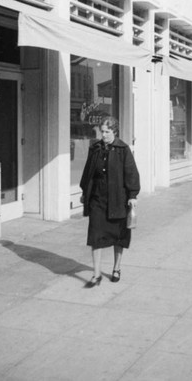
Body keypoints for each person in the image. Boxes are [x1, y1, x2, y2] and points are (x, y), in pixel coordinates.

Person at [80, 116, 140, 288]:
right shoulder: (96, 148)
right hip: (98, 199)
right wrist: (85, 192)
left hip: (118, 200)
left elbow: (131, 173)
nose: (104, 135)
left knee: (118, 236)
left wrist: (132, 195)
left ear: (115, 132)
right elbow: (88, 172)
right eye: (102, 131)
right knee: (95, 235)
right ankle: (96, 274)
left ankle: (116, 268)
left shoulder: (123, 150)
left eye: (107, 131)